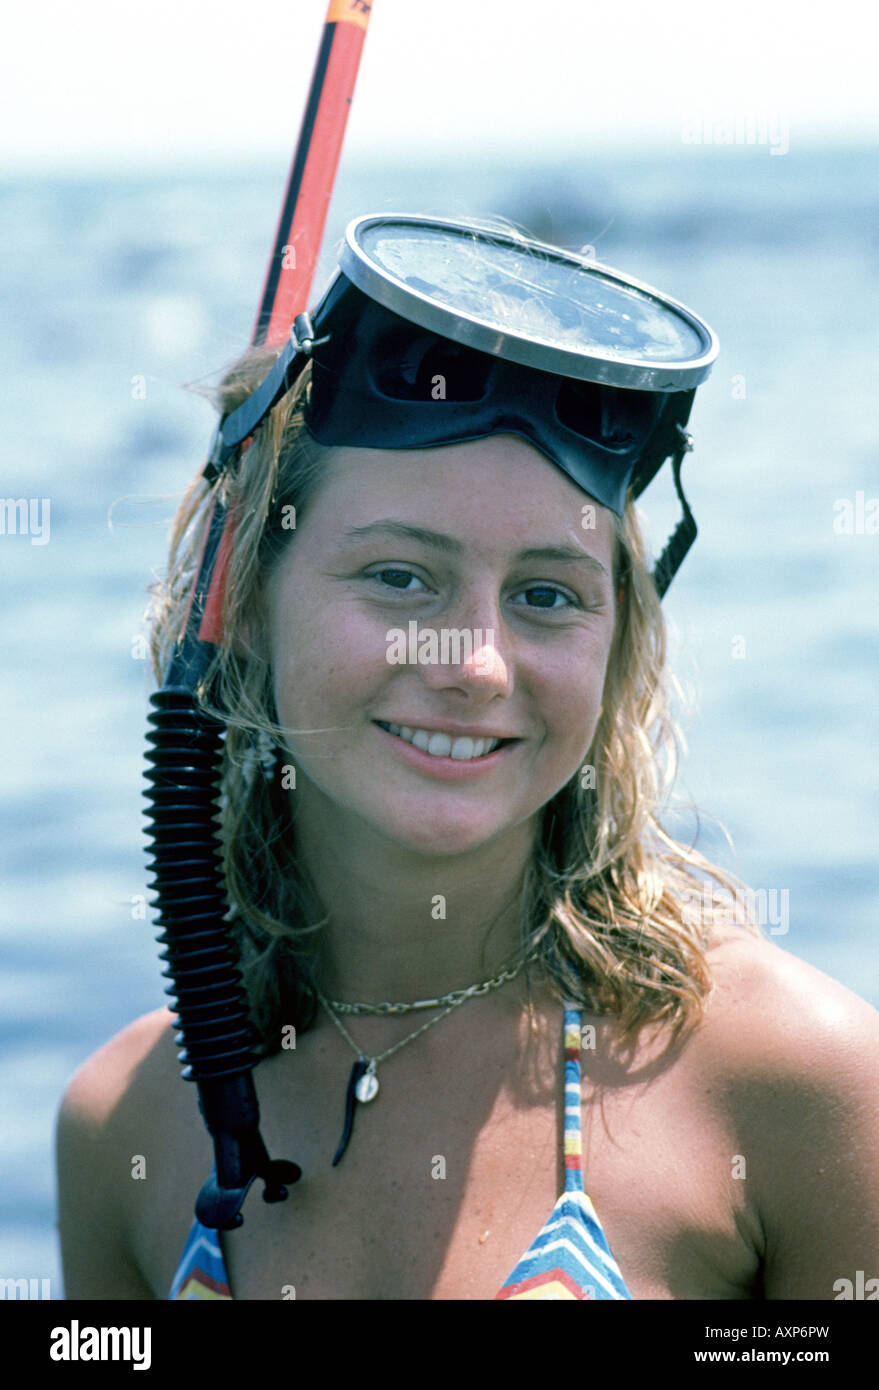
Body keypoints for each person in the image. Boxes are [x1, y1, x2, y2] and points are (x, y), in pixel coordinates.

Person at [56, 215, 879, 1300]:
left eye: (547, 596)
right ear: (244, 598)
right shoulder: (127, 1123)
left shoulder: (795, 1086)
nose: (476, 663)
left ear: (620, 640)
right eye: (400, 577)